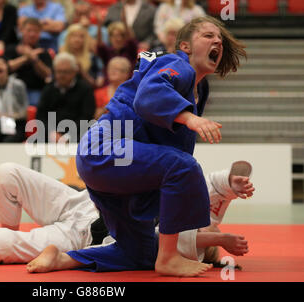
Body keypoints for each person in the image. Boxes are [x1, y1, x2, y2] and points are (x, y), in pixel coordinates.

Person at [26, 16, 248, 277]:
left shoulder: (199, 89)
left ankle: (62, 259)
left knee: (138, 253)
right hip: (107, 148)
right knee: (183, 166)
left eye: (220, 38)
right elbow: (148, 96)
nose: (217, 41)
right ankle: (168, 259)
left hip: (119, 171)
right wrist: (190, 118)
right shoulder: (176, 63)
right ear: (185, 46)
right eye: (208, 36)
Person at [0, 161, 254, 267]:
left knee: (0, 243)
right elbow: (218, 180)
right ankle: (11, 229)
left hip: (81, 236)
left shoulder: (183, 248)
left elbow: (192, 239)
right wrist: (236, 181)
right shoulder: (200, 204)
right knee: (6, 174)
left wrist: (218, 241)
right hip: (80, 202)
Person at [35, 52, 95, 143]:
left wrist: (68, 136)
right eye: (59, 71)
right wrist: (51, 133)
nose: (62, 75)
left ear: (74, 72)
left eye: (66, 72)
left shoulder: (85, 89)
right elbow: (40, 115)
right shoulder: (48, 89)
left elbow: (86, 117)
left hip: (77, 134)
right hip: (51, 134)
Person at [4, 17, 52, 106]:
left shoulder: (43, 52)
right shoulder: (12, 48)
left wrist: (35, 59)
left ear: (40, 33)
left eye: (36, 31)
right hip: (12, 89)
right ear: (21, 31)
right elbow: (7, 68)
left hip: (35, 90)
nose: (32, 34)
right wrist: (26, 57)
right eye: (29, 30)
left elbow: (47, 74)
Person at [0, 57, 29, 144]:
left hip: (16, 123)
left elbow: (25, 112)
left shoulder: (18, 85)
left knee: (9, 140)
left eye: (2, 63)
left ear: (7, 68)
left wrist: (9, 115)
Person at [59, 23, 104, 89]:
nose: (77, 40)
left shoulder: (92, 58)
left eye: (81, 37)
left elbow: (97, 85)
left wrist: (82, 72)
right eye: (73, 36)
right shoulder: (61, 58)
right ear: (68, 38)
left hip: (86, 92)